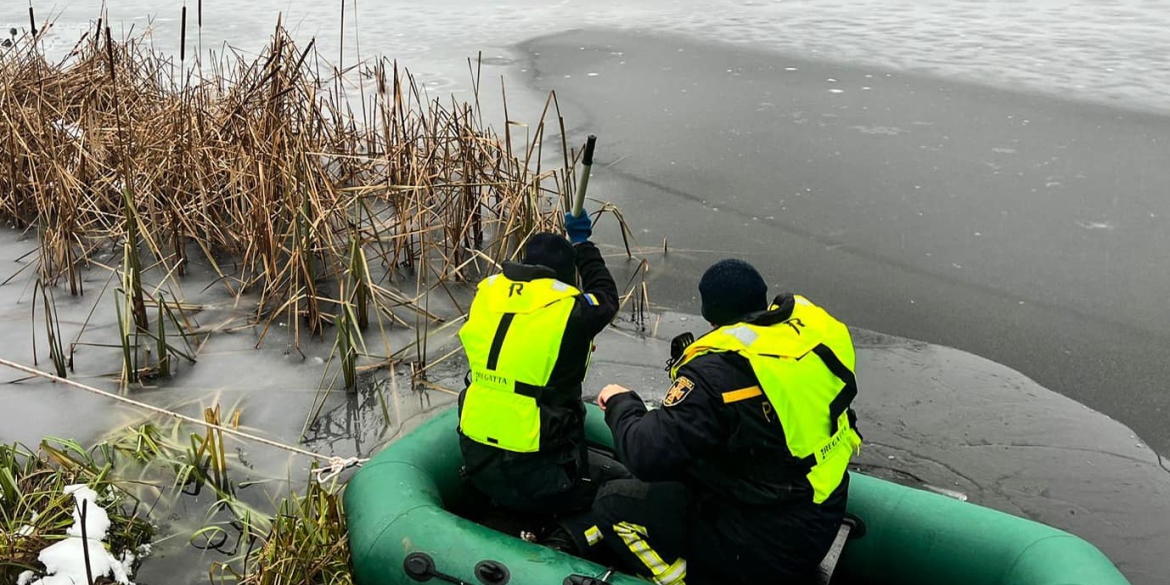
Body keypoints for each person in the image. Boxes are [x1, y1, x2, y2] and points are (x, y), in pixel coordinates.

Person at [555, 258, 863, 585]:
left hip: (770, 544)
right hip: (820, 511)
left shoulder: (717, 374)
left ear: (709, 313)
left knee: (611, 504)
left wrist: (621, 403)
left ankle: (682, 579)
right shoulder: (797, 346)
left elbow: (645, 454)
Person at [456, 210, 622, 518]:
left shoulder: (486, 294)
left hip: (476, 449)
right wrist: (583, 244)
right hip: (537, 462)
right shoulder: (571, 310)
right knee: (617, 487)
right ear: (565, 274)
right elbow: (606, 296)